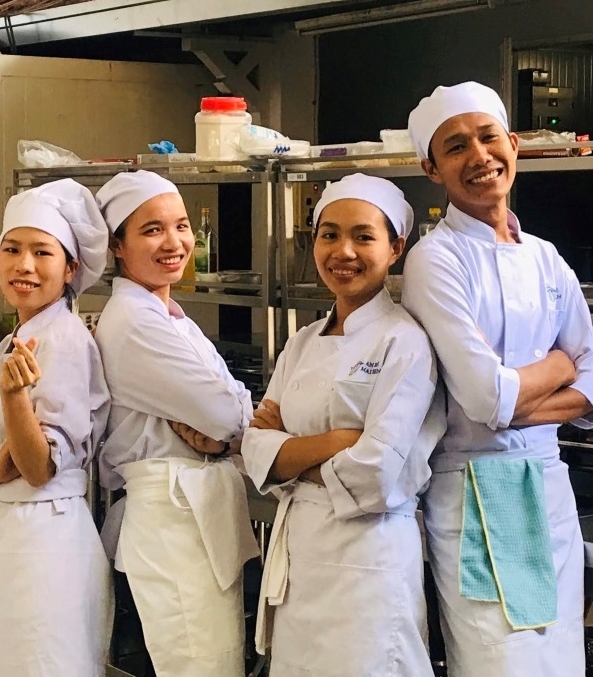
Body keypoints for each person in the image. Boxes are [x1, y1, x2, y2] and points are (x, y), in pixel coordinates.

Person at [401, 81, 588, 676]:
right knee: (498, 663)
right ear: (432, 168)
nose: (478, 156)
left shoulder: (545, 256)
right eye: (455, 147)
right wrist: (561, 367)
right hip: (475, 493)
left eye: (488, 138)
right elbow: (485, 398)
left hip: (548, 484)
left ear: (513, 143)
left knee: (559, 659)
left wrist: (515, 399)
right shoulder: (437, 259)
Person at [242, 173, 444, 676]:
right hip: (300, 560)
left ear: (396, 247)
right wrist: (335, 442)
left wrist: (288, 453)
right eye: (329, 234)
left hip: (368, 562)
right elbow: (254, 448)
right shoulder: (303, 341)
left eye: (363, 236)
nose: (343, 251)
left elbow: (376, 473)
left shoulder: (406, 343)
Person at [93, 170, 258, 677]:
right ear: (118, 245)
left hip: (192, 512)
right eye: (152, 230)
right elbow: (231, 415)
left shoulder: (168, 313)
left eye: (182, 225)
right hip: (170, 517)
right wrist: (232, 424)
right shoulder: (134, 321)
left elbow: (230, 416)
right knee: (198, 663)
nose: (175, 242)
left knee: (213, 659)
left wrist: (229, 425)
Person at [0, 178, 113, 677]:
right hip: (1, 535)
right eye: (12, 249)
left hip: (45, 539)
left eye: (43, 252)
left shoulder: (64, 341)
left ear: (70, 269)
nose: (24, 265)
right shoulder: (8, 343)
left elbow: (39, 468)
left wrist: (15, 400)